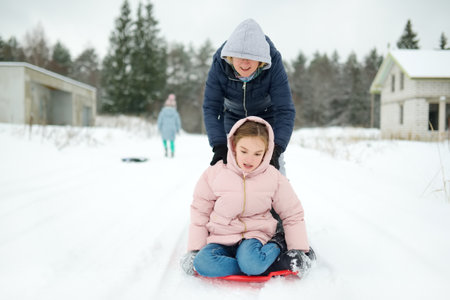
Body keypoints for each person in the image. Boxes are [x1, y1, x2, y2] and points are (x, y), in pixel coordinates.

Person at [180, 116, 315, 278]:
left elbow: (292, 213)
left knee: (251, 263)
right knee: (203, 264)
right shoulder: (215, 173)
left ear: (266, 152)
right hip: (221, 236)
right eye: (244, 151)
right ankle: (250, 265)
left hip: (255, 235)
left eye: (257, 153)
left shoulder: (273, 177)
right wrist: (195, 249)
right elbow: (199, 211)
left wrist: (298, 249)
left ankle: (276, 246)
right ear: (234, 146)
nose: (250, 159)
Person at [202, 18, 295, 175]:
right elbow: (211, 107)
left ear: (261, 60)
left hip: (267, 118)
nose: (245, 63)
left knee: (273, 170)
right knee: (230, 171)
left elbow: (285, 109)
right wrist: (219, 145)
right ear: (230, 57)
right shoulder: (219, 63)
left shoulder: (274, 62)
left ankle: (276, 196)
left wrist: (276, 149)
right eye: (239, 57)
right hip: (233, 119)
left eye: (251, 57)